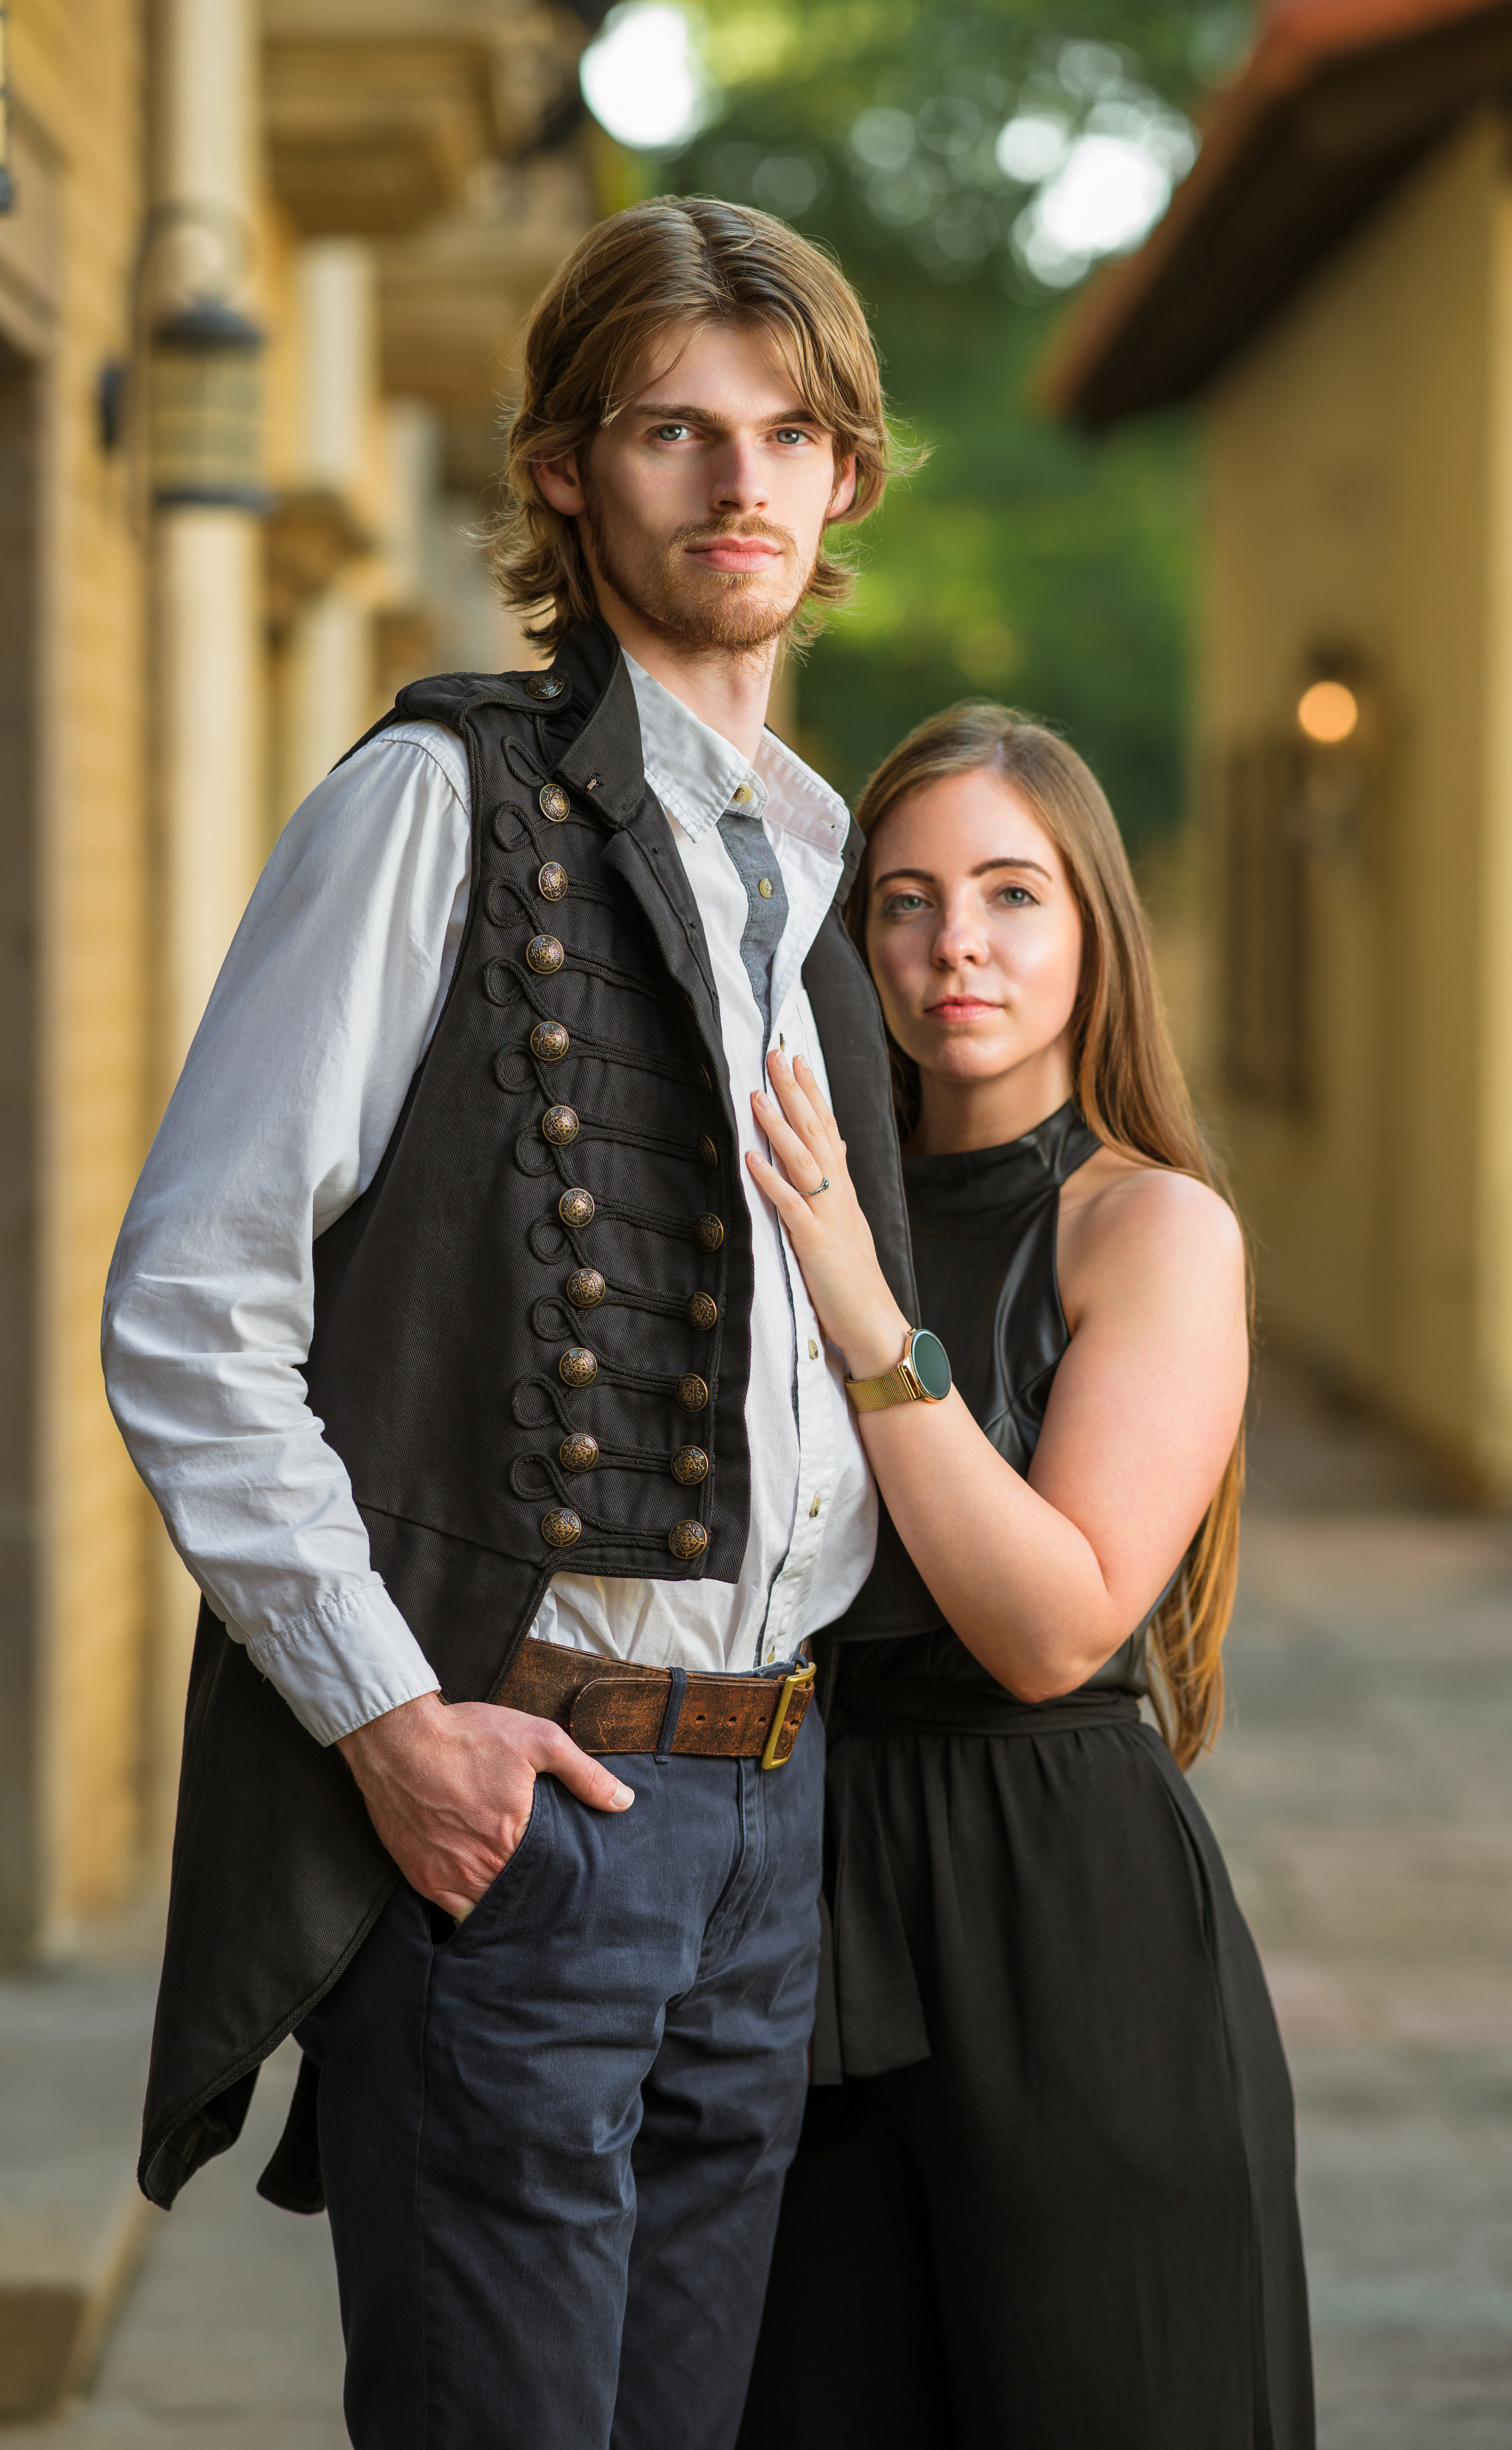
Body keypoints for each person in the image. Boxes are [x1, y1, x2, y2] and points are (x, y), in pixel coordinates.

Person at [102, 197, 923, 2450]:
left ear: (845, 476)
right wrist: (393, 1723)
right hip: (530, 1795)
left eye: (786, 435)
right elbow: (191, 1304)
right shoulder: (432, 803)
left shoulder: (820, 866)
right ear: (567, 470)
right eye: (674, 430)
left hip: (777, 1813)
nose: (738, 484)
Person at [736, 705, 1317, 2449]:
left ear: (1092, 933)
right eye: (902, 903)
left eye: (1010, 894)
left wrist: (861, 1315)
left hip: (1060, 1906)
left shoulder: (1149, 1228)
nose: (952, 948)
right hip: (798, 1892)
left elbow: (1055, 1625)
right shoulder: (803, 1190)